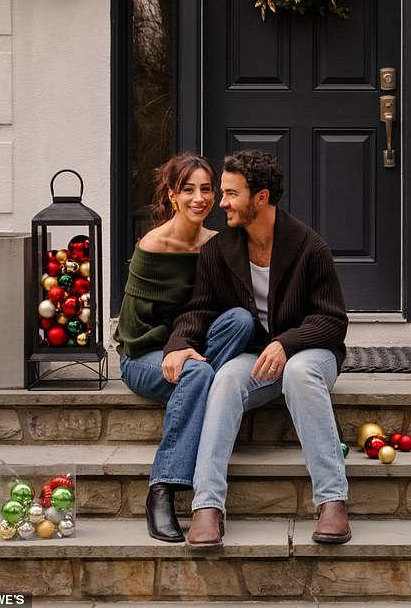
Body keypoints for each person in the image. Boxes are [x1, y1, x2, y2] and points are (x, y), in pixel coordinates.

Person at [163, 149, 350, 550]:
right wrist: (179, 344)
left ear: (260, 198)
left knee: (299, 373)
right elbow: (200, 309)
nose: (221, 203)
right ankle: (207, 506)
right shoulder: (220, 251)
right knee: (226, 378)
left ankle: (333, 500)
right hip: (259, 355)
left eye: (231, 194)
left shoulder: (309, 247)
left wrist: (288, 342)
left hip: (312, 354)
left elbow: (333, 321)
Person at [115, 153, 255, 543]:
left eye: (206, 189)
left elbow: (222, 311)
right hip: (144, 355)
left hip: (194, 348)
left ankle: (197, 386)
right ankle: (161, 489)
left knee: (239, 322)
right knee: (197, 372)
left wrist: (188, 345)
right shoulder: (153, 245)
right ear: (173, 196)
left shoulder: (217, 244)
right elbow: (134, 328)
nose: (199, 198)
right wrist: (173, 350)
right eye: (188, 190)